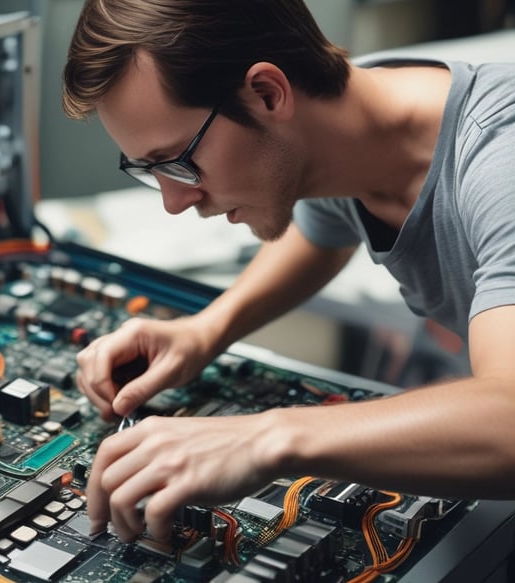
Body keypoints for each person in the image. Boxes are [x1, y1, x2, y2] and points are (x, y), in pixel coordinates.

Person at [62, 0, 515, 544]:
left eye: (178, 161)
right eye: (148, 170)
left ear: (268, 93)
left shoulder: (499, 158)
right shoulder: (349, 135)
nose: (174, 202)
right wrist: (205, 330)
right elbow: (318, 232)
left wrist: (265, 438)